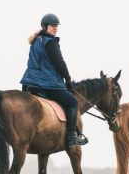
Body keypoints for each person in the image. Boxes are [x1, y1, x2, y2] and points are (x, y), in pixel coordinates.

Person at [20, 13, 88, 148]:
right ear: (45, 27)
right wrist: (68, 80)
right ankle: (71, 137)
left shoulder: (35, 42)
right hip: (47, 84)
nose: (55, 28)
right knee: (73, 103)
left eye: (56, 26)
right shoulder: (50, 43)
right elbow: (60, 63)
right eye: (53, 26)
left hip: (29, 83)